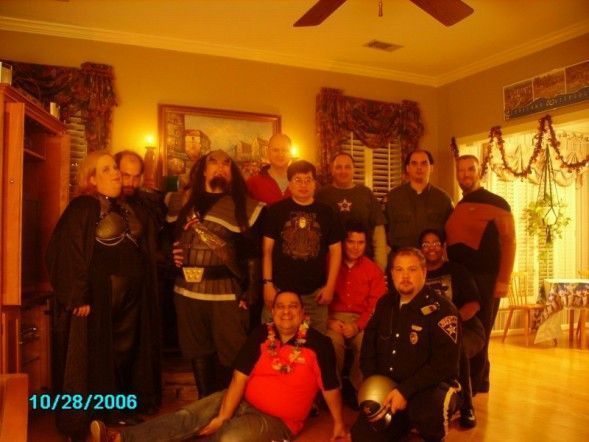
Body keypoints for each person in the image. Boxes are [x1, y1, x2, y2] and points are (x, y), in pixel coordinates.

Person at [90, 291, 350, 442]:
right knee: (188, 416)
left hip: (280, 422)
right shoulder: (262, 333)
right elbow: (239, 377)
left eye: (293, 307)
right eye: (280, 307)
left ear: (303, 313)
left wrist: (339, 423)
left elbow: (330, 387)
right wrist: (225, 413)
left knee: (228, 437)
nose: (286, 312)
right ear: (272, 312)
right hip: (241, 400)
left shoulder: (319, 344)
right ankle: (120, 438)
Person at [46, 151, 161, 441]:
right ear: (92, 178)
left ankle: (116, 410)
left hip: (129, 299)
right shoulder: (84, 206)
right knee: (97, 357)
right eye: (106, 169)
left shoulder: (124, 207)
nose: (116, 173)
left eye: (114, 168)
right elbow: (68, 250)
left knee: (123, 356)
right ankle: (93, 415)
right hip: (99, 297)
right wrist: (78, 296)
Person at [172, 149, 265, 398]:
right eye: (214, 163)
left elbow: (253, 254)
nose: (220, 168)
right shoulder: (184, 204)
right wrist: (172, 254)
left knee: (232, 352)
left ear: (232, 173)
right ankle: (205, 403)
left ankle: (227, 406)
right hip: (186, 291)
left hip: (226, 292)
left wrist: (252, 291)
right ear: (204, 170)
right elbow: (168, 241)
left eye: (226, 164)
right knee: (197, 350)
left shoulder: (245, 207)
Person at [352, 248, 461, 442]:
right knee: (361, 436)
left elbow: (444, 365)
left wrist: (405, 391)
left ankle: (429, 432)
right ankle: (403, 424)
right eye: (399, 270)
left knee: (428, 412)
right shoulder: (384, 303)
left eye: (412, 269)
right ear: (392, 274)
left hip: (426, 388)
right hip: (388, 388)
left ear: (424, 272)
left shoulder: (442, 310)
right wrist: (373, 383)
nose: (405, 276)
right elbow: (368, 348)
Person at [445, 155, 516, 394]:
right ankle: (480, 380)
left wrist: (504, 280)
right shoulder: (459, 205)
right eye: (461, 170)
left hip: (485, 279)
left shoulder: (497, 203)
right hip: (461, 280)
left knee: (480, 331)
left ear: (480, 172)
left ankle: (473, 386)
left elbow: (510, 242)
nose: (465, 174)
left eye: (470, 169)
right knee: (466, 329)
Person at [262, 160, 343, 333]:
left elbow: (336, 252)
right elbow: (267, 250)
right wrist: (267, 284)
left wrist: (330, 287)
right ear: (290, 183)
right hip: (279, 290)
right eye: (298, 180)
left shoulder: (327, 212)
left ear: (315, 184)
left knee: (315, 343)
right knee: (272, 341)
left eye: (308, 180)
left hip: (315, 294)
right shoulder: (275, 211)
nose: (303, 185)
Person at [419, 229, 486, 428]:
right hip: (431, 333)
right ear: (420, 249)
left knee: (457, 346)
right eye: (426, 244)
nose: (431, 248)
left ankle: (467, 406)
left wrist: (451, 321)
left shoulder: (457, 271)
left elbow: (474, 304)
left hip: (467, 329)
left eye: (435, 243)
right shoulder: (417, 274)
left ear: (443, 247)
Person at [326, 220, 387, 398]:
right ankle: (333, 389)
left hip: (361, 319)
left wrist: (357, 326)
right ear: (343, 242)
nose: (355, 247)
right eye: (351, 242)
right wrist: (329, 321)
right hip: (332, 317)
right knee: (332, 343)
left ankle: (357, 389)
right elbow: (317, 298)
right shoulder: (328, 263)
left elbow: (376, 305)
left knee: (366, 342)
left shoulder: (373, 269)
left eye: (360, 242)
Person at [316, 152, 388, 271]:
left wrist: (380, 266)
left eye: (347, 167)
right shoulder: (321, 195)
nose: (343, 171)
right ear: (332, 170)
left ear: (354, 170)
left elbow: (378, 232)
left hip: (363, 264)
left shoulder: (366, 193)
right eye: (338, 167)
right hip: (330, 264)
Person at [384, 149, 453, 254]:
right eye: (414, 163)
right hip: (401, 258)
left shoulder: (443, 200)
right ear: (407, 168)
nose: (419, 168)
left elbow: (450, 236)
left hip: (432, 259)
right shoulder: (392, 198)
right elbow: (382, 235)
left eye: (424, 163)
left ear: (431, 168)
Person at [246, 133, 292, 205]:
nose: (280, 154)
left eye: (285, 150)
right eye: (276, 150)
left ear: (291, 154)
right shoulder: (253, 183)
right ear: (268, 152)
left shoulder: (302, 182)